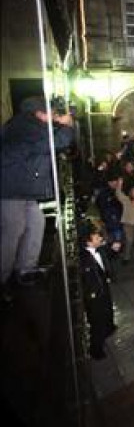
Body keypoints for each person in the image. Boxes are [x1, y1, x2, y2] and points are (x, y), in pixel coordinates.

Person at [1, 96, 74, 288]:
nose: (53, 116)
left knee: (36, 223)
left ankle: (26, 269)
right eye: (51, 113)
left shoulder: (29, 126)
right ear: (39, 113)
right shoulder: (24, 126)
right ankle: (3, 278)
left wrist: (60, 124)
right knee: (13, 230)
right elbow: (51, 143)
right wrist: (66, 127)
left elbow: (47, 136)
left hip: (23, 188)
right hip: (12, 189)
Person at [80, 225, 116, 359]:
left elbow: (108, 258)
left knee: (107, 310)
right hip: (94, 295)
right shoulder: (83, 259)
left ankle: (109, 328)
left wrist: (114, 249)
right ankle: (96, 349)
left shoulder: (100, 249)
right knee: (96, 321)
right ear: (89, 242)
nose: (100, 238)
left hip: (104, 288)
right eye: (97, 237)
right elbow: (86, 281)